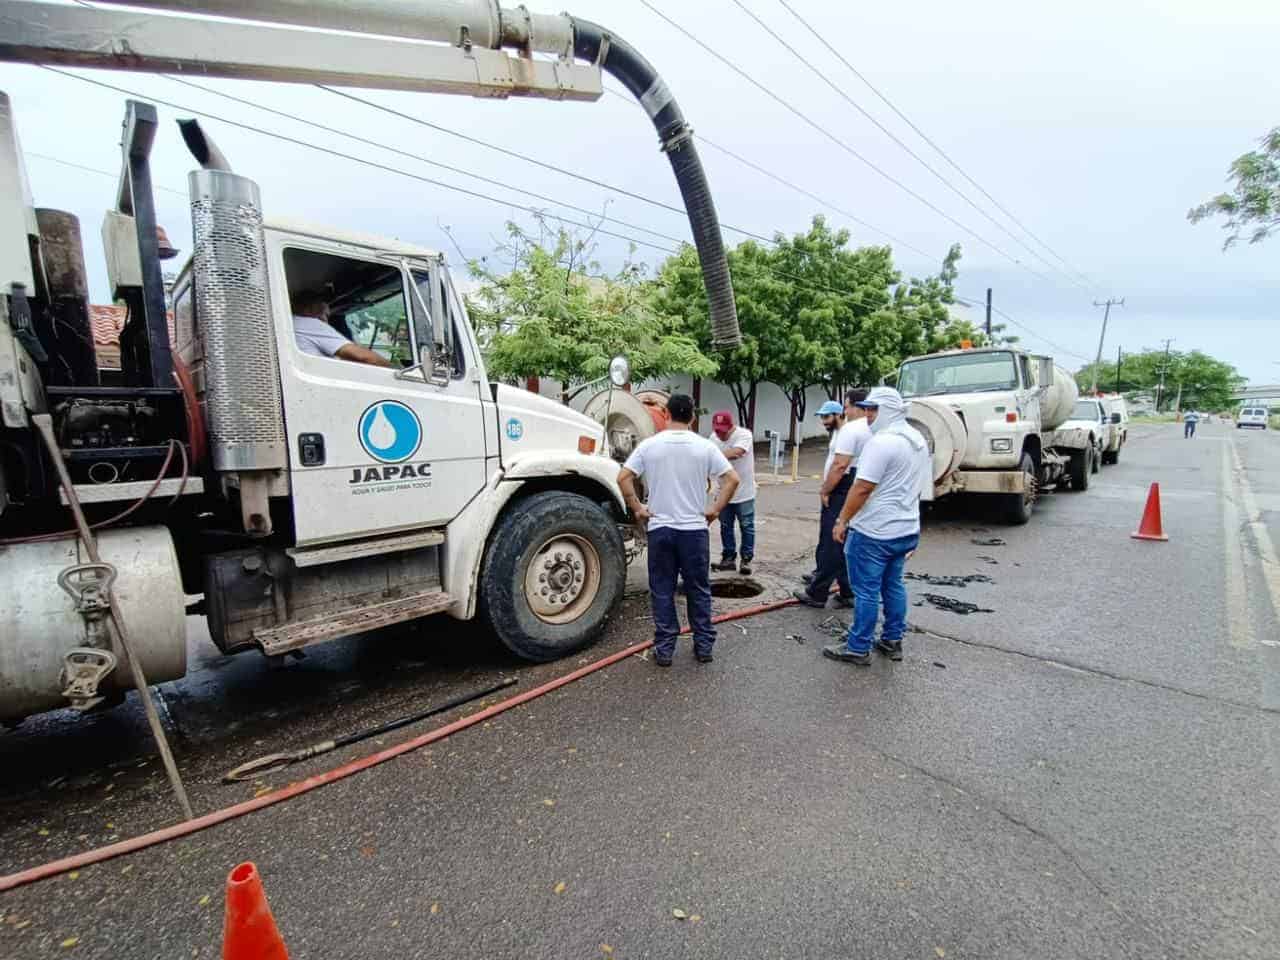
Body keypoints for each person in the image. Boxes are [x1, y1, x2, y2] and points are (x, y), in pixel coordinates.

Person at [618, 394, 738, 667]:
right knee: (698, 589)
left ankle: (664, 650)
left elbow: (623, 477)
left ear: (666, 414)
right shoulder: (704, 447)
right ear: (693, 417)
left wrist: (638, 508)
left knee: (662, 589)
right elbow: (732, 479)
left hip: (660, 529)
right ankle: (704, 646)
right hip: (694, 531)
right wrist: (715, 509)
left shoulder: (649, 446)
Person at [824, 386, 930, 666]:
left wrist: (842, 520)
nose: (868, 414)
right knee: (893, 585)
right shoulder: (917, 439)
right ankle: (893, 639)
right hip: (905, 529)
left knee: (866, 590)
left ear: (890, 410)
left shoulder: (882, 442)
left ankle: (858, 647)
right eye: (866, 408)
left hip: (875, 531)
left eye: (874, 409)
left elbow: (862, 488)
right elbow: (920, 487)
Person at [793, 391, 870, 609]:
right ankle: (847, 590)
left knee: (833, 540)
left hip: (842, 486)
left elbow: (840, 466)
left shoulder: (851, 429)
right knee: (843, 540)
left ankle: (818, 593)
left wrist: (825, 490)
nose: (846, 411)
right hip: (854, 484)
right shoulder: (866, 429)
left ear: (856, 406)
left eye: (846, 407)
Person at [710, 410, 756, 576]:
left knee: (747, 526)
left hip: (744, 492)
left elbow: (737, 452)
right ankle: (728, 558)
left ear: (731, 428)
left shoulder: (744, 435)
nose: (719, 434)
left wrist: (713, 456)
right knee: (725, 526)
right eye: (717, 430)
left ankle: (746, 559)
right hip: (724, 492)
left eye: (723, 431)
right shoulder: (713, 438)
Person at [292, 292, 393, 367]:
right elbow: (366, 357)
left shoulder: (293, 324)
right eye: (325, 315)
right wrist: (395, 370)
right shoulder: (308, 323)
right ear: (310, 311)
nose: (326, 321)